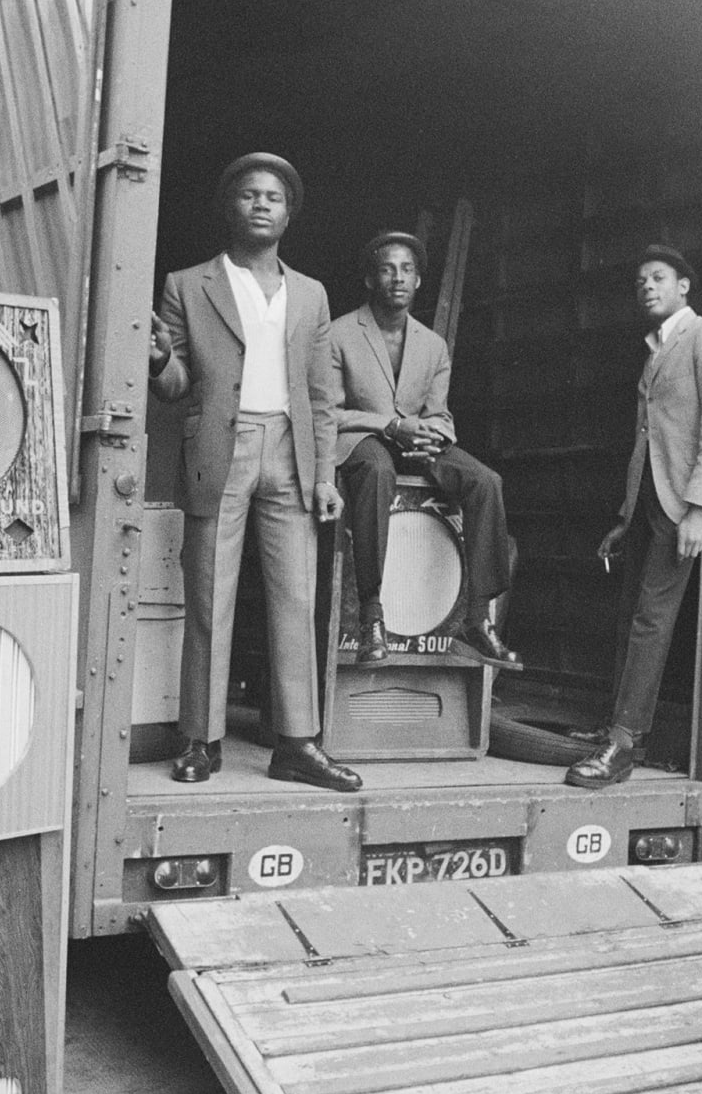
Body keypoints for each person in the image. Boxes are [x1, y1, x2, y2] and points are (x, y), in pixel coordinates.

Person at [147, 153, 361, 793]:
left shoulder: (312, 294)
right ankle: (199, 741)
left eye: (274, 196)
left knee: (297, 601)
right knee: (210, 598)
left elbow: (323, 397)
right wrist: (160, 360)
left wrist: (325, 474)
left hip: (291, 455)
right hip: (223, 447)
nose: (262, 204)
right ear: (230, 208)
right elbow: (178, 384)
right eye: (248, 194)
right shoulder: (188, 284)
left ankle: (297, 744)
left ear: (289, 213)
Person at [566, 244, 702, 788]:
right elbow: (648, 441)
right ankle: (615, 727)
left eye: (659, 277)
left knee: (651, 620)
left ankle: (623, 746)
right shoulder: (656, 348)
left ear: (684, 286)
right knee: (631, 619)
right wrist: (625, 516)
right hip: (649, 504)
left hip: (679, 507)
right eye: (641, 280)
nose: (647, 286)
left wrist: (698, 508)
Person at [326, 231, 522, 669]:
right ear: (370, 279)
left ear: (418, 282)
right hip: (362, 441)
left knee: (486, 481)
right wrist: (392, 426)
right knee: (377, 469)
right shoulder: (338, 333)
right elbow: (328, 413)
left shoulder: (433, 345)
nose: (398, 278)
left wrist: (435, 436)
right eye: (387, 269)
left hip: (415, 442)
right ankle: (371, 618)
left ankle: (476, 617)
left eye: (407, 270)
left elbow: (440, 414)